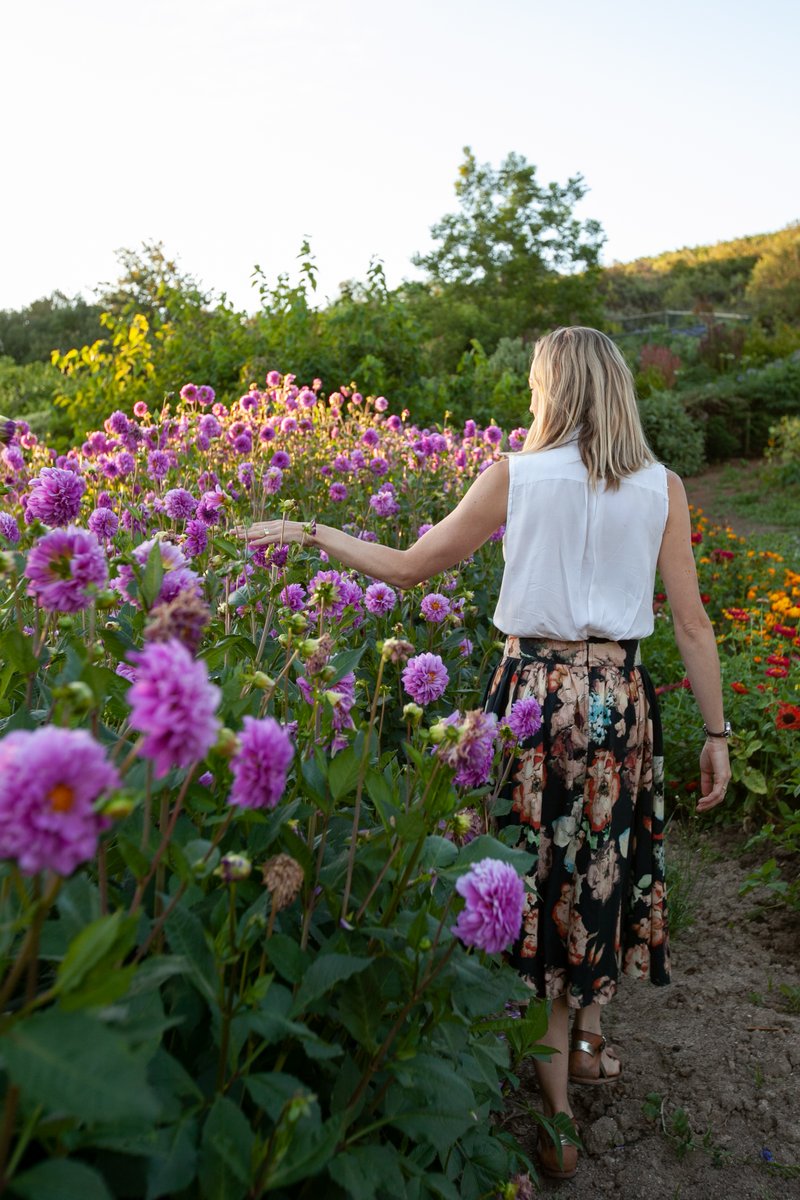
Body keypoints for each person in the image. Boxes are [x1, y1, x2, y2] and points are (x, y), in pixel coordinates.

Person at [240, 326, 731, 1181]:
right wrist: (719, 734)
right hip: (618, 702)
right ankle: (584, 1039)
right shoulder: (663, 486)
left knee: (540, 879)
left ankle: (560, 1115)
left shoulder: (516, 473)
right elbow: (691, 623)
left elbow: (406, 568)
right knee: (600, 871)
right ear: (617, 390)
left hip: (535, 697)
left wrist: (313, 529)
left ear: (552, 389)